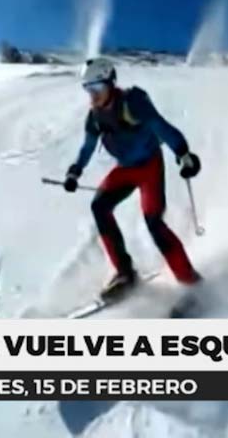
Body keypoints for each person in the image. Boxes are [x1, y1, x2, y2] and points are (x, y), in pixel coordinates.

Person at [63, 57, 202, 300]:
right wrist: (75, 170)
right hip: (126, 168)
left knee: (154, 223)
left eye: (96, 89)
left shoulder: (132, 103)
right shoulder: (94, 117)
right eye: (88, 89)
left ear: (109, 84)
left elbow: (163, 128)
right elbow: (87, 147)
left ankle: (191, 283)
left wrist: (183, 153)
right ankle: (125, 273)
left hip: (149, 166)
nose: (92, 96)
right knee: (99, 206)